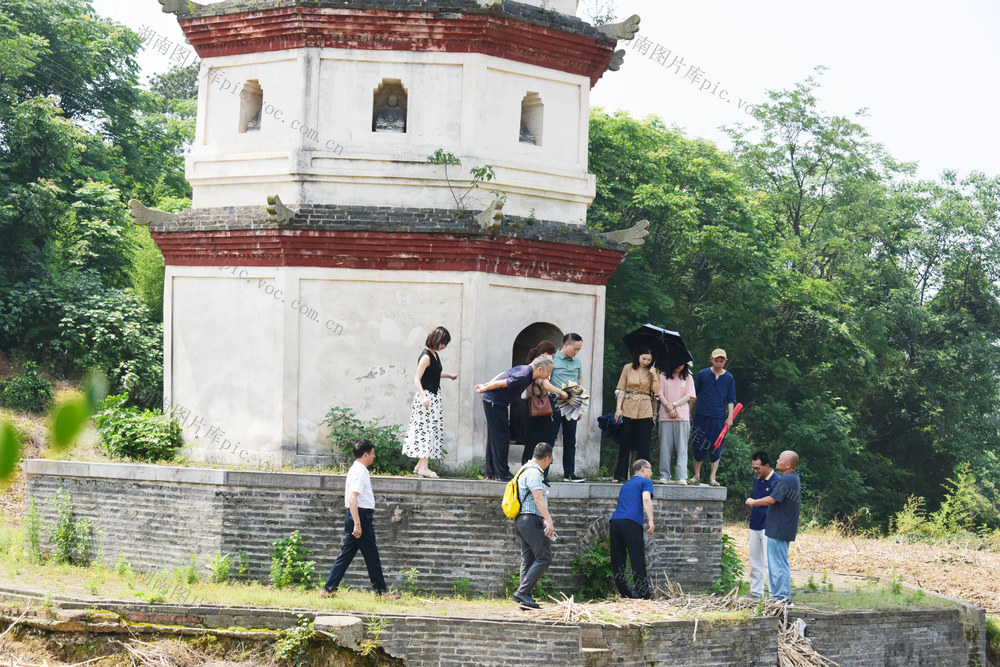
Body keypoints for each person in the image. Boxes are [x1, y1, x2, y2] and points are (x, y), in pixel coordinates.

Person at [322, 438, 389, 596]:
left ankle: (328, 589)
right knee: (372, 556)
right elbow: (353, 498)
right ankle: (381, 592)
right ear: (365, 455)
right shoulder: (359, 471)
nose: (374, 456)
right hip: (361, 516)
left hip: (357, 516)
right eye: (372, 453)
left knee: (346, 555)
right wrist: (358, 524)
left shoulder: (357, 469)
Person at [475, 356, 556, 482]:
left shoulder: (526, 371)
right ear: (540, 369)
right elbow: (501, 382)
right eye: (548, 371)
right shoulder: (524, 375)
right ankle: (502, 473)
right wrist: (484, 388)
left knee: (495, 437)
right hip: (494, 402)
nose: (549, 374)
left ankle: (492, 472)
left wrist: (486, 384)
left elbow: (504, 374)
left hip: (496, 402)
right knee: (502, 437)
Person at [745, 450, 801, 604]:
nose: (777, 460)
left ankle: (782, 598)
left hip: (779, 528)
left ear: (788, 464)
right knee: (777, 563)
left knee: (777, 564)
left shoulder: (786, 479)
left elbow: (771, 500)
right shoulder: (790, 478)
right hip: (777, 527)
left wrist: (753, 502)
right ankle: (779, 597)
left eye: (780, 458)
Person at [402, 326, 458, 478]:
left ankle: (420, 465)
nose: (443, 346)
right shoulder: (426, 356)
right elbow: (417, 378)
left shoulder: (434, 355)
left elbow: (433, 374)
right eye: (443, 342)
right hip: (427, 397)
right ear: (436, 339)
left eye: (445, 343)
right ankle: (424, 467)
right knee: (426, 431)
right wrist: (423, 396)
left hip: (433, 396)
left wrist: (449, 376)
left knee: (430, 429)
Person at [512, 442, 556, 609]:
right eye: (550, 461)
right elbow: (538, 498)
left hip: (522, 520)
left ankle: (526, 598)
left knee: (529, 559)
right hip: (530, 519)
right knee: (544, 557)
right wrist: (548, 519)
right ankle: (523, 592)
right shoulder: (534, 473)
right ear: (546, 458)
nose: (549, 464)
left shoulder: (523, 469)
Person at [609, 458, 655, 598]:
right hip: (631, 522)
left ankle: (624, 593)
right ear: (642, 469)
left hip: (615, 522)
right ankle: (643, 595)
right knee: (637, 557)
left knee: (618, 559)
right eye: (650, 469)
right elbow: (646, 499)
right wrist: (651, 520)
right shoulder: (646, 482)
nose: (651, 472)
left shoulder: (626, 484)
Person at [689, 348, 736, 487]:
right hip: (701, 415)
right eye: (716, 360)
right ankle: (696, 476)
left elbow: (731, 399)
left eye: (721, 361)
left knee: (716, 447)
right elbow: (694, 394)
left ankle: (712, 478)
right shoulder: (703, 374)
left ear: (725, 361)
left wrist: (730, 417)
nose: (718, 363)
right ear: (711, 360)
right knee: (698, 444)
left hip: (719, 418)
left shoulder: (729, 378)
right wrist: (689, 411)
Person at [613, 345, 660, 483]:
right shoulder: (628, 368)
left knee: (643, 445)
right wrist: (618, 408)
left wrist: (653, 375)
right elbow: (621, 389)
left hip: (645, 408)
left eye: (648, 360)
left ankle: (642, 475)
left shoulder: (654, 370)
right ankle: (620, 475)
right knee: (625, 442)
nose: (645, 362)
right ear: (638, 356)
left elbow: (657, 391)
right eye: (643, 358)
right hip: (628, 405)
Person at [520, 341, 568, 465]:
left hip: (533, 406)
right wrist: (561, 392)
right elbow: (545, 384)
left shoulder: (535, 364)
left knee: (532, 440)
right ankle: (532, 468)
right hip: (536, 407)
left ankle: (530, 467)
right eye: (552, 355)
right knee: (537, 441)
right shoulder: (539, 366)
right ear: (546, 354)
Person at [550, 333, 585, 481]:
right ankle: (542, 473)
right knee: (549, 438)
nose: (576, 352)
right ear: (566, 345)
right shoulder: (553, 359)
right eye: (575, 348)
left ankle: (569, 473)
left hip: (572, 402)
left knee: (570, 439)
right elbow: (546, 381)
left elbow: (579, 383)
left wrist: (580, 405)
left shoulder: (577, 362)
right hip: (555, 400)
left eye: (579, 349)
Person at [748, 451, 781, 599]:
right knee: (755, 561)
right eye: (753, 468)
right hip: (755, 524)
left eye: (758, 468)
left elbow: (771, 500)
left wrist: (754, 502)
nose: (755, 471)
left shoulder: (777, 481)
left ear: (767, 465)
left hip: (769, 526)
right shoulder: (757, 479)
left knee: (769, 563)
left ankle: (774, 594)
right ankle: (756, 592)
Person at [656, 362, 696, 484]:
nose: (679, 365)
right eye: (677, 361)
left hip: (682, 415)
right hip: (665, 415)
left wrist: (673, 405)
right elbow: (659, 393)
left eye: (683, 363)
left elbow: (689, 395)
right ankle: (664, 475)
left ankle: (682, 476)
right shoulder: (662, 376)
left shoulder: (688, 377)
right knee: (664, 447)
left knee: (682, 447)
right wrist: (668, 407)